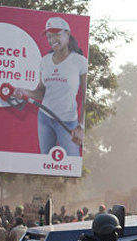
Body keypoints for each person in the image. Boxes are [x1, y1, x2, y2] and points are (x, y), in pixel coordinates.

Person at [14, 17, 87, 156]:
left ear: (68, 34)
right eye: (49, 36)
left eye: (57, 34)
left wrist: (81, 126)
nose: (53, 40)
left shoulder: (80, 61)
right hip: (45, 118)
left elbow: (85, 95)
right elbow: (41, 92)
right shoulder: (45, 61)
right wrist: (25, 92)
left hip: (67, 121)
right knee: (45, 162)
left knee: (71, 163)